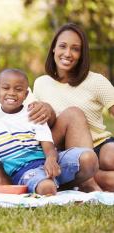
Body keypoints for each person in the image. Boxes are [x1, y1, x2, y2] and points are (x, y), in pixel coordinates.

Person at [0, 38, 101, 192]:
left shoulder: (13, 82)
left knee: (74, 114)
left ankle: (85, 182)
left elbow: (45, 121)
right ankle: (39, 183)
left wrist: (46, 109)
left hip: (34, 150)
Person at [34, 23, 114, 191]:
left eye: (75, 49)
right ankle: (87, 179)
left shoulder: (96, 81)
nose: (68, 54)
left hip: (99, 143)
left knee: (111, 157)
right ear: (54, 49)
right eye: (62, 46)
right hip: (64, 149)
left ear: (82, 54)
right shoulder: (41, 83)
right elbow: (39, 125)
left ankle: (90, 178)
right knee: (73, 113)